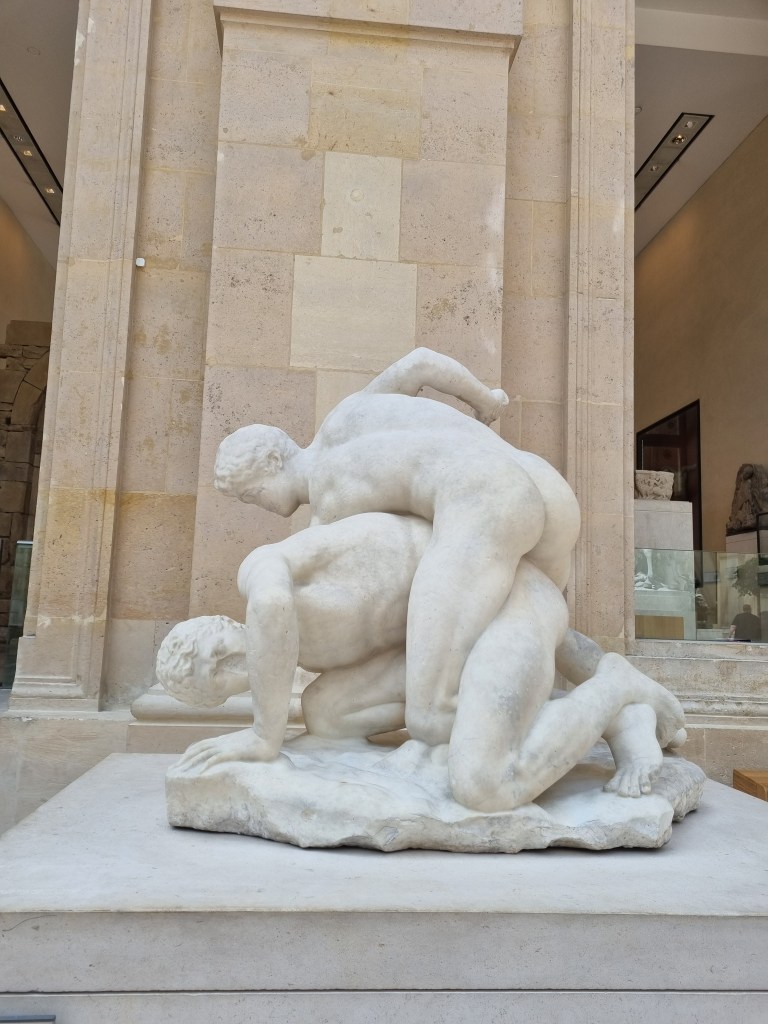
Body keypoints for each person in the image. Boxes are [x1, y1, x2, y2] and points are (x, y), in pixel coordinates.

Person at [156, 513, 686, 808]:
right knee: (326, 712)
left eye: (215, 650)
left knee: (484, 784)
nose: (230, 661)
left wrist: (263, 733)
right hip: (476, 630)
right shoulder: (309, 650)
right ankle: (596, 715)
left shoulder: (264, 572)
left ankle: (614, 688)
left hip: (511, 601)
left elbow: (271, 608)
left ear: (220, 620)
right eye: (217, 678)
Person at [213, 348, 582, 752]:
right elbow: (420, 362)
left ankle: (606, 707)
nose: (259, 505)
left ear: (273, 460)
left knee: (432, 713)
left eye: (252, 494)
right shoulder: (346, 414)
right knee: (504, 623)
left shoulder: (330, 508)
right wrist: (486, 400)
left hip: (488, 501)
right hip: (548, 490)